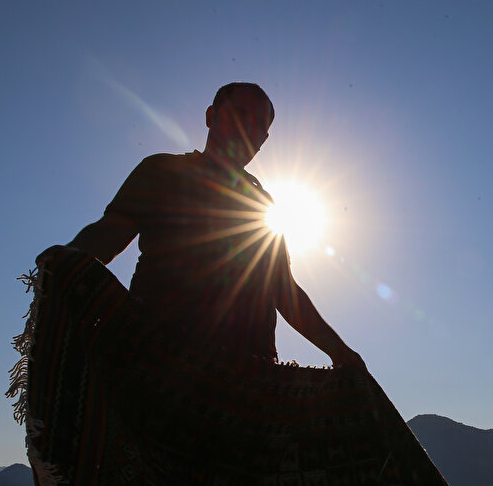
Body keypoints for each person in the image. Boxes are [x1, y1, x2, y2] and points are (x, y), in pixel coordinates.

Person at [55, 82, 364, 370]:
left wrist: (341, 353)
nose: (248, 129)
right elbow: (109, 233)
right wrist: (68, 259)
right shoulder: (163, 170)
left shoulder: (265, 206)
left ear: (264, 141)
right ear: (211, 116)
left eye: (259, 125)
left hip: (250, 371)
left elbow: (283, 290)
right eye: (240, 114)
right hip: (157, 354)